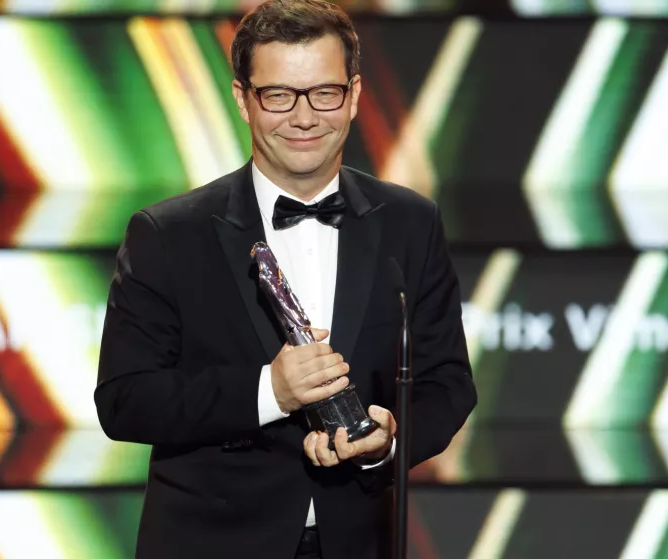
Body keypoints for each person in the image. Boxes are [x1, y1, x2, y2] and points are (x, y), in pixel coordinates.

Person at [94, 1, 477, 557]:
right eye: (278, 95)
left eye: (324, 93)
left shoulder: (411, 223)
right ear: (243, 100)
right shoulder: (167, 234)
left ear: (354, 96)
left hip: (359, 541)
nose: (304, 117)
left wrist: (386, 441)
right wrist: (268, 392)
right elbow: (125, 399)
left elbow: (447, 383)